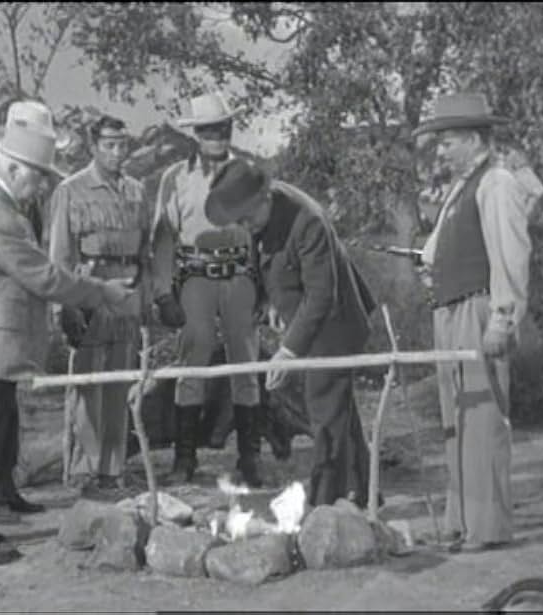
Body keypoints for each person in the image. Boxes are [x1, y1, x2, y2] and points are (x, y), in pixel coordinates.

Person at [0, 101, 139, 567]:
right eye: (38, 177)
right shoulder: (2, 220)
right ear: (14, 169)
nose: (41, 187)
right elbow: (47, 279)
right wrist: (104, 293)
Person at [203, 159, 379, 508]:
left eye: (248, 218)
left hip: (334, 325)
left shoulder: (307, 220)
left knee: (324, 412)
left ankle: (325, 505)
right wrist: (268, 300)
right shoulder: (258, 216)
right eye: (239, 220)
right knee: (339, 411)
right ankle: (365, 493)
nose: (245, 227)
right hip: (306, 318)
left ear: (266, 197)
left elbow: (321, 296)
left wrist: (288, 352)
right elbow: (264, 261)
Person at [412, 92, 532, 553]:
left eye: (446, 141)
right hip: (449, 309)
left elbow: (511, 254)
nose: (440, 150)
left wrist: (503, 319)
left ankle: (488, 527)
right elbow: (440, 247)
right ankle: (460, 521)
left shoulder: (497, 182)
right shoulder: (461, 187)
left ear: (472, 139)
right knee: (455, 420)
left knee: (482, 420)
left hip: (478, 309)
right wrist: (430, 263)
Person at [150, 91, 265, 487]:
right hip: (195, 277)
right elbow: (163, 239)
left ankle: (250, 456)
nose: (217, 136)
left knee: (246, 364)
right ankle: (185, 457)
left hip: (239, 276)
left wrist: (264, 290)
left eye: (223, 128)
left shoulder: (248, 173)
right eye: (209, 130)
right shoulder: (175, 178)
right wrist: (163, 293)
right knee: (192, 362)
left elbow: (262, 235)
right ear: (196, 134)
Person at [48, 114, 150, 495]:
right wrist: (64, 307)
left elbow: (147, 253)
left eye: (123, 144)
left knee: (120, 382)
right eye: (109, 144)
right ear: (94, 146)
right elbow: (59, 254)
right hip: (89, 288)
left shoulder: (137, 191)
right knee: (88, 383)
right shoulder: (71, 190)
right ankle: (85, 471)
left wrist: (146, 299)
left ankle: (112, 469)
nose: (117, 152)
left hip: (127, 291)